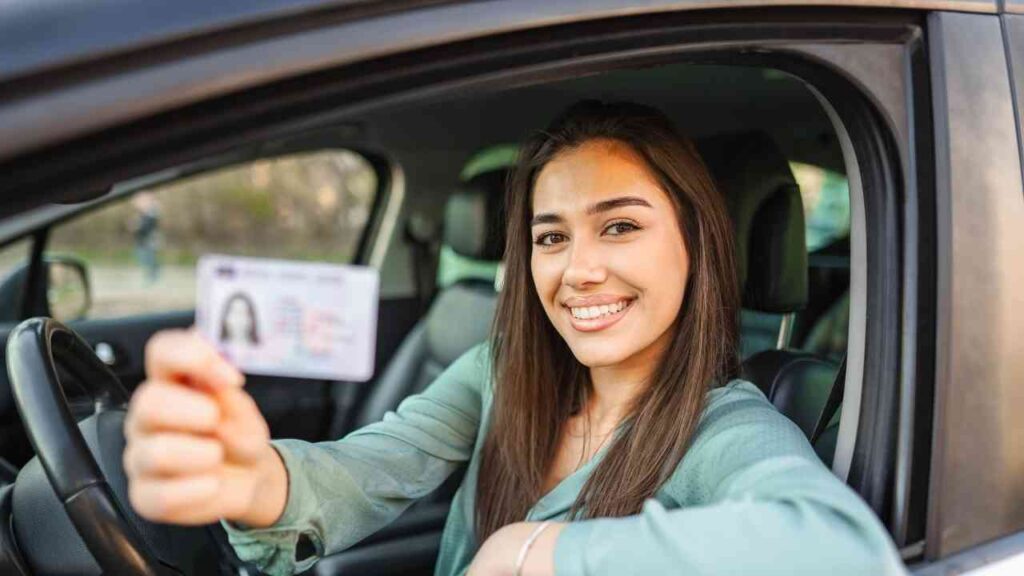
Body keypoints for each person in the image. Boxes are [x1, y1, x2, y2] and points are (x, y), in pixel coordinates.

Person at [122, 101, 908, 575]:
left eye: (621, 226)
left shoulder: (725, 428)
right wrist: (253, 482)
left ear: (696, 245)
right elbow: (372, 466)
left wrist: (536, 555)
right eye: (551, 237)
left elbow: (843, 551)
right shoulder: (499, 371)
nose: (580, 271)